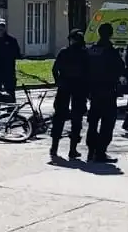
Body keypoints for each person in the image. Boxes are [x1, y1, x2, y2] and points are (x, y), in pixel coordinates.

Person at [86, 22, 125, 162]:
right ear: (111, 34)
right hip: (108, 91)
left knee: (93, 122)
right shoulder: (111, 52)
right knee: (107, 123)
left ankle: (91, 150)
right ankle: (100, 152)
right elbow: (121, 68)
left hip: (93, 92)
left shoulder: (91, 50)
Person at [50, 29, 89, 159]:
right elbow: (89, 72)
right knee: (77, 118)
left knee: (59, 116)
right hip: (79, 88)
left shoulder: (64, 52)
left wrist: (58, 82)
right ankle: (73, 149)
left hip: (64, 86)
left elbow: (55, 69)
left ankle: (54, 147)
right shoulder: (84, 54)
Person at [0, 18, 21, 102]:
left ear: (5, 27)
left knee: (10, 94)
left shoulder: (12, 40)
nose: (1, 28)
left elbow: (17, 54)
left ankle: (11, 109)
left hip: (8, 72)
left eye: (2, 26)